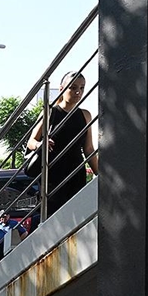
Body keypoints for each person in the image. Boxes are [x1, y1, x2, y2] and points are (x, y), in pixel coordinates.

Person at [26, 71, 99, 217]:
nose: (78, 91)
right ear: (62, 89)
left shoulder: (85, 115)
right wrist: (41, 144)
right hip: (53, 174)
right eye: (72, 87)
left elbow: (88, 148)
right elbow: (31, 142)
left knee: (77, 216)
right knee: (54, 217)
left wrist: (100, 174)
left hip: (76, 172)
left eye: (82, 87)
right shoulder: (50, 112)